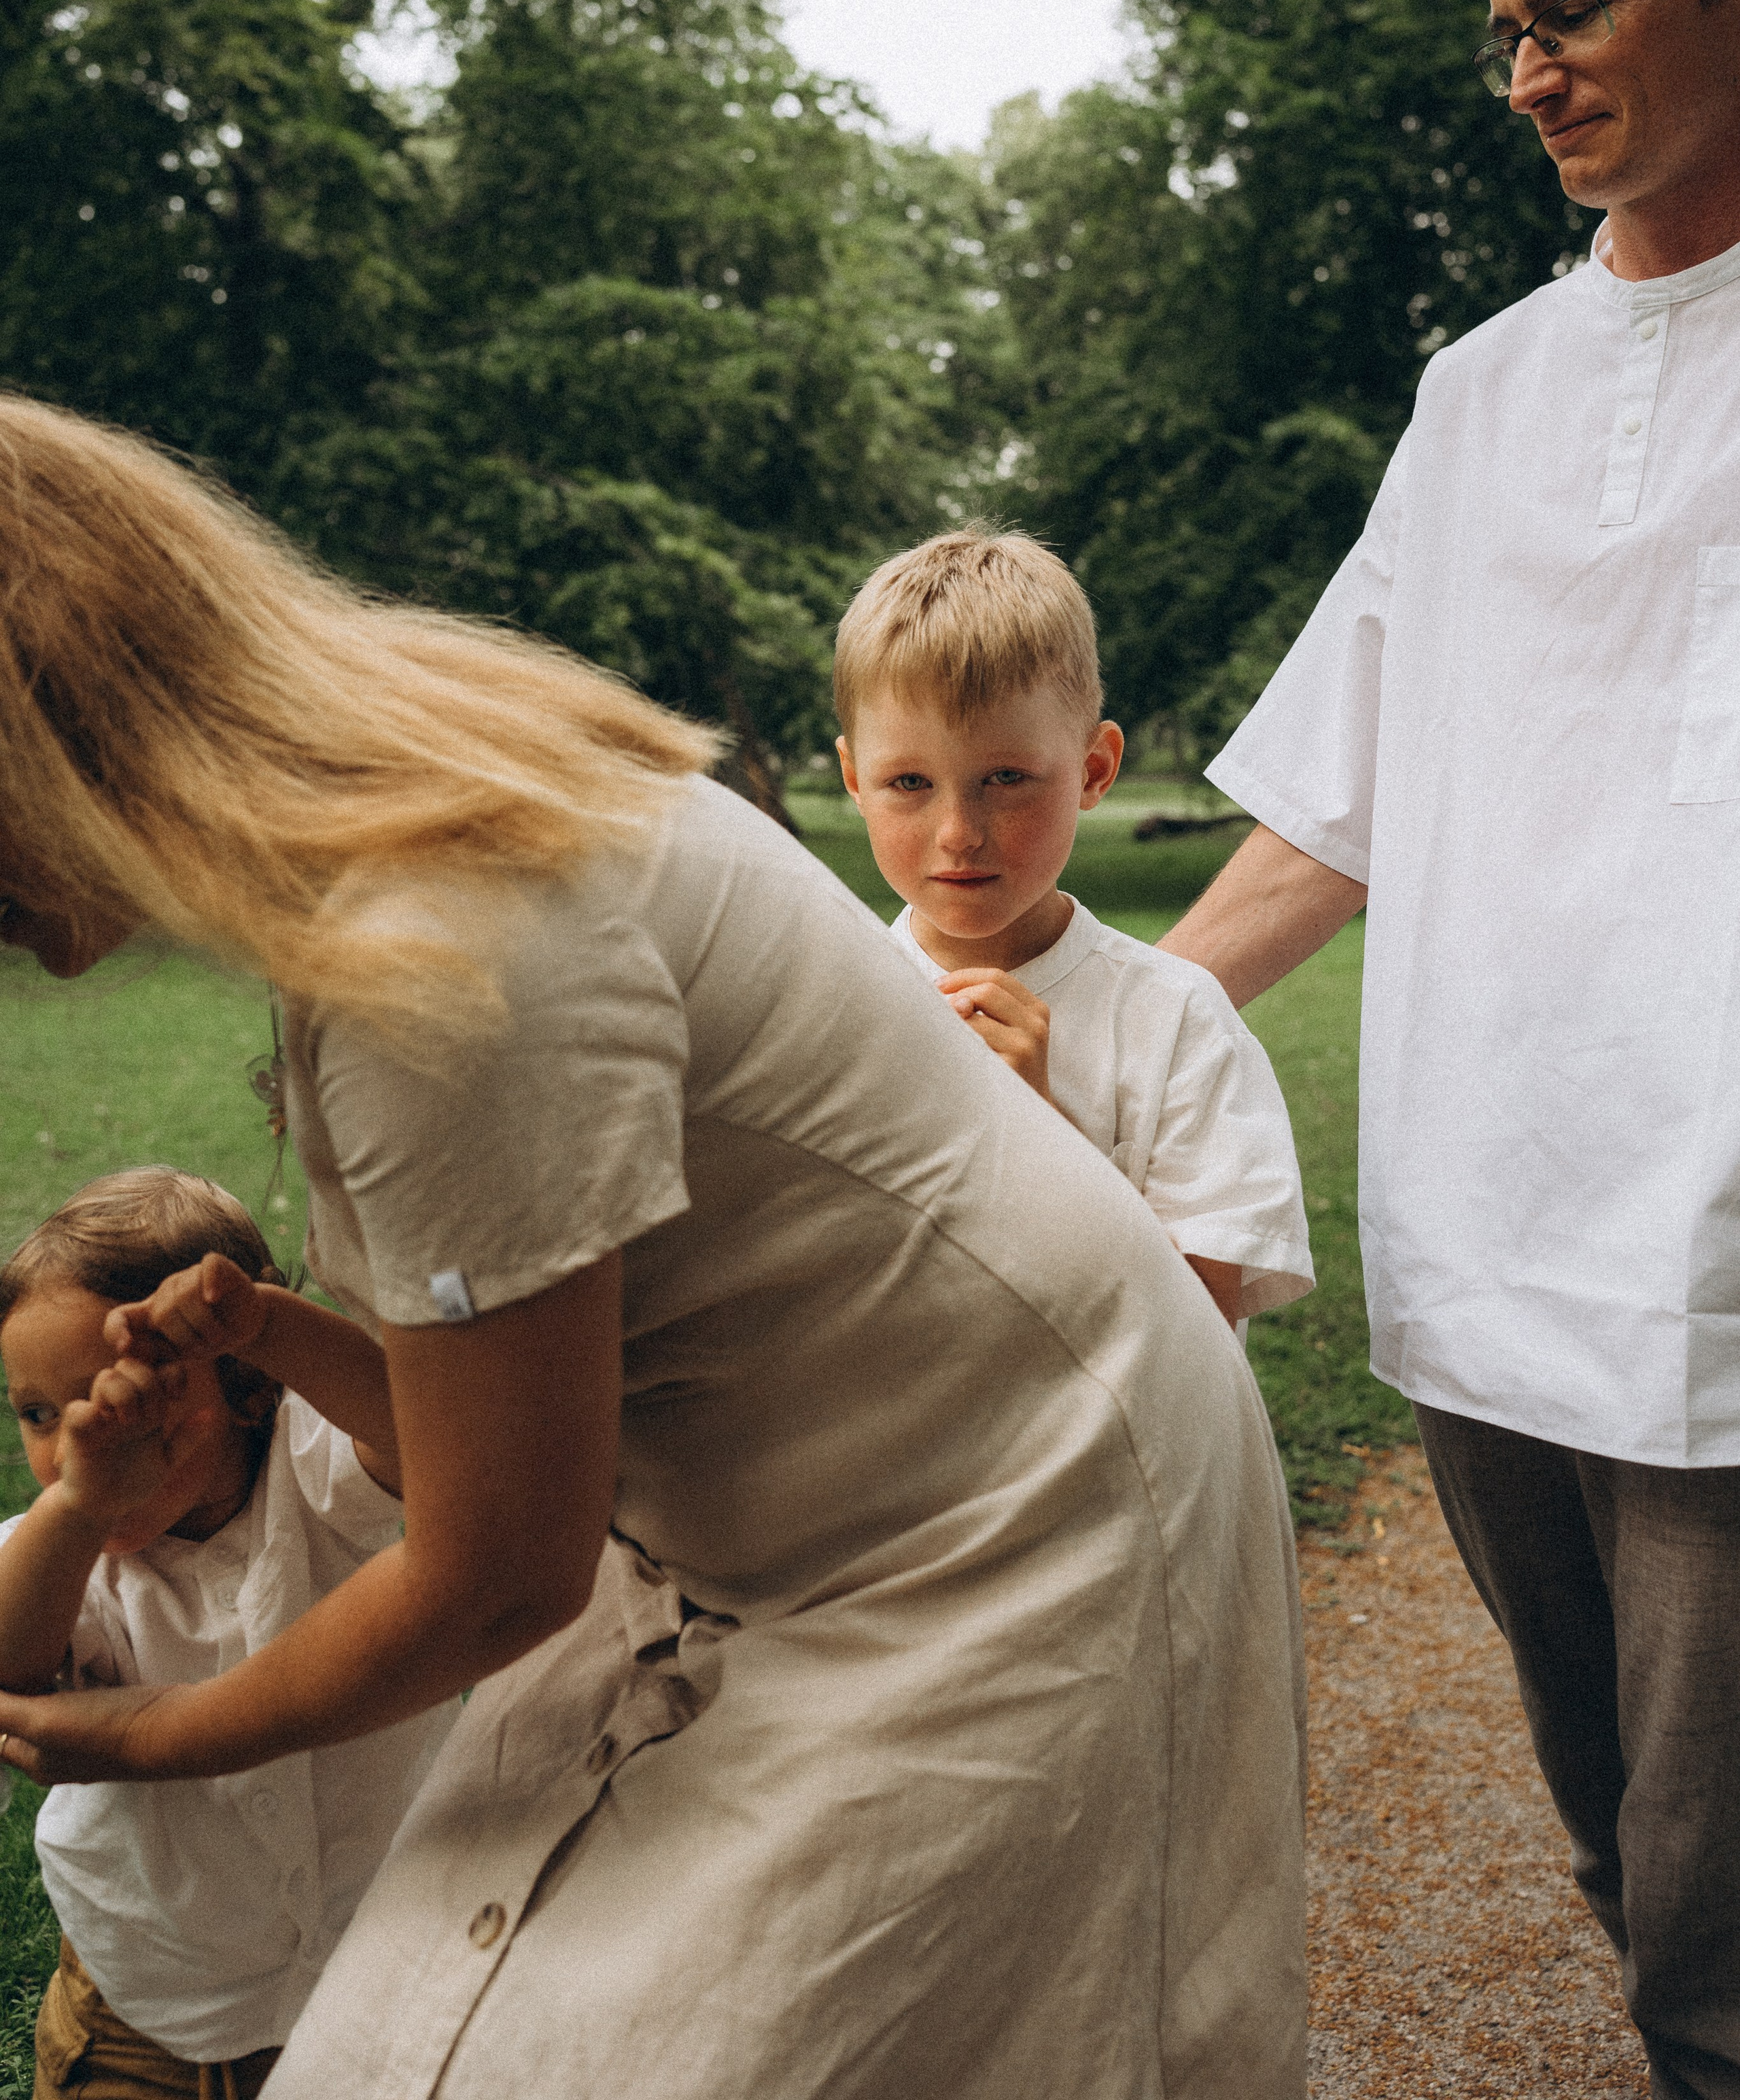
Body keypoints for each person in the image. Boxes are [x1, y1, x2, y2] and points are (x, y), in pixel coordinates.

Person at [0, 394, 1308, 2100]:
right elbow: (491, 1424)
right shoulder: (428, 791)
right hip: (790, 1522)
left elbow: (494, 1571)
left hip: (1009, 1522)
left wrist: (154, 1734)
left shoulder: (439, 942)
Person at [1160, 0, 1740, 2099]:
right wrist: (1066, 1030)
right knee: (1614, 1853)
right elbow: (1335, 806)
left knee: (1724, 1931)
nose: (1529, 72)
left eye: (1577, 4)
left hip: (1720, 1273)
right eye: (1507, 29)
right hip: (1483, 1247)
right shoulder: (1475, 395)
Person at [0, 1165, 457, 2100]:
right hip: (143, 2006)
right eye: (38, 1414)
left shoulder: (315, 1475)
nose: (76, 1442)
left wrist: (269, 1325)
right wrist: (83, 1506)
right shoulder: (59, 1556)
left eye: (116, 1396)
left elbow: (423, 1438)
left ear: (249, 1390)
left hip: (368, 1972)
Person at [834, 526, 1312, 1333]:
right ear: (853, 778)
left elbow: (1195, 1338)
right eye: (909, 782)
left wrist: (1042, 1132)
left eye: (1005, 779)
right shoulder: (820, 1009)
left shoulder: (1177, 1024)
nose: (958, 832)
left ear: (1094, 769)